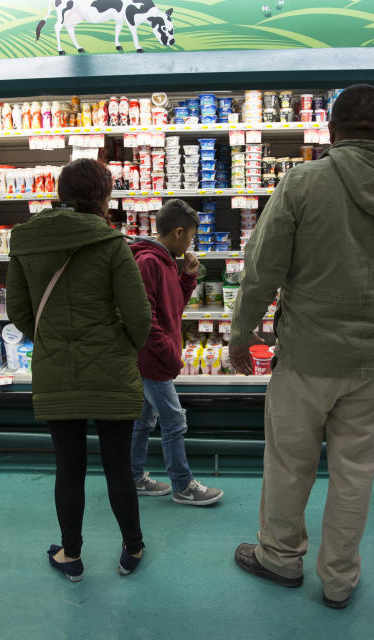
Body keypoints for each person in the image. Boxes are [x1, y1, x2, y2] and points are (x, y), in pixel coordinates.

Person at [228, 84, 374, 608]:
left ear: (330, 131)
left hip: (307, 356)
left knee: (289, 464)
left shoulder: (304, 182)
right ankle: (339, 581)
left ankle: (280, 560)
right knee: (354, 474)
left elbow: (263, 270)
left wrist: (243, 333)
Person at [7, 158, 152, 582]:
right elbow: (139, 318)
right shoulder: (111, 243)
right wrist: (119, 344)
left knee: (68, 468)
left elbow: (17, 310)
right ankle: (133, 548)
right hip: (111, 372)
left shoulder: (26, 242)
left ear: (60, 191)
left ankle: (71, 555)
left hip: (57, 373)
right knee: (118, 465)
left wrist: (51, 337)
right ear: (103, 196)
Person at [129, 199, 223, 506]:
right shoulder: (149, 263)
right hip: (153, 360)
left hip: (153, 358)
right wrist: (170, 354)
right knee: (173, 421)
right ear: (179, 232)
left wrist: (187, 277)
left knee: (144, 421)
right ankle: (183, 485)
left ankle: (133, 477)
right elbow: (147, 321)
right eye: (192, 236)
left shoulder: (166, 260)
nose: (193, 242)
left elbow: (172, 307)